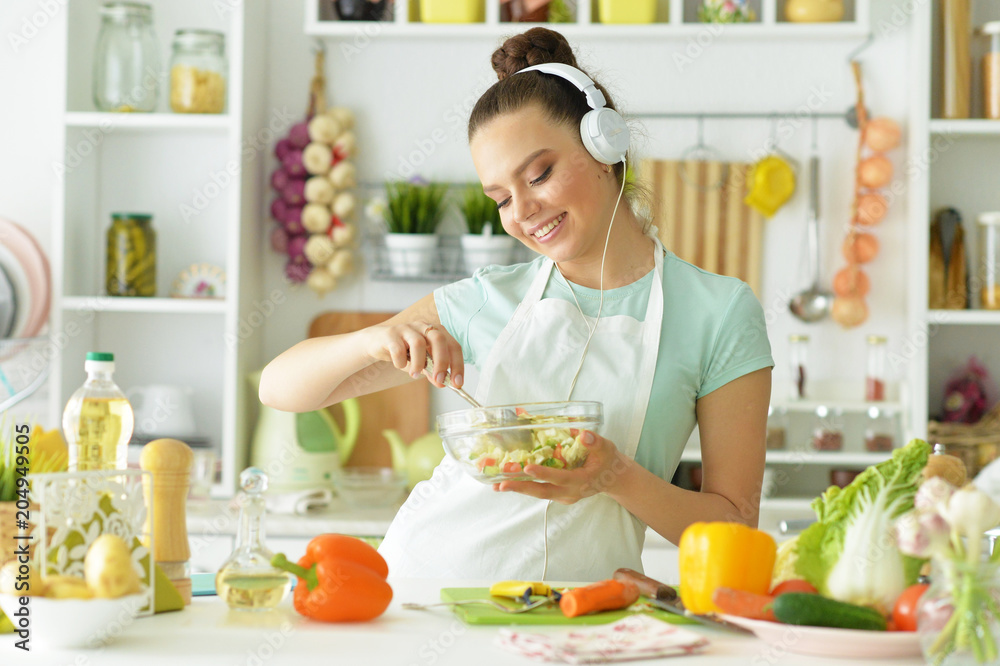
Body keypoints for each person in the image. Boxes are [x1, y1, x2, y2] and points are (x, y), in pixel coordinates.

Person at [260, 27, 773, 581]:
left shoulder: (717, 312)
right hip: (428, 593)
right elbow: (281, 390)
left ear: (605, 148)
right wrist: (370, 340)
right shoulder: (489, 297)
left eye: (540, 174)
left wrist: (614, 475)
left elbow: (735, 529)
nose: (523, 211)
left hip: (576, 621)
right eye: (501, 198)